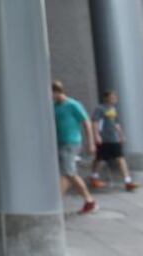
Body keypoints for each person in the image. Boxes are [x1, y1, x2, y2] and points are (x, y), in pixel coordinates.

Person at [52, 80, 98, 214]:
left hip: (71, 143)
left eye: (51, 93)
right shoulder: (54, 106)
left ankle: (56, 204)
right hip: (61, 143)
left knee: (68, 173)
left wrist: (91, 142)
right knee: (69, 173)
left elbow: (86, 122)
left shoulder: (73, 105)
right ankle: (88, 201)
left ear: (56, 92)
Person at [90, 90, 140, 191]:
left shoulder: (113, 109)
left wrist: (121, 135)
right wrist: (96, 135)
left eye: (115, 97)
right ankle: (94, 177)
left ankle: (128, 181)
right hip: (104, 138)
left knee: (120, 158)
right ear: (106, 98)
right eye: (112, 97)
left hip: (114, 138)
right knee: (99, 159)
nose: (114, 99)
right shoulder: (100, 108)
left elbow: (116, 123)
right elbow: (95, 122)